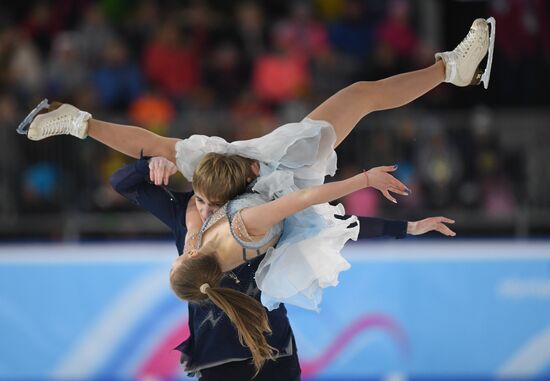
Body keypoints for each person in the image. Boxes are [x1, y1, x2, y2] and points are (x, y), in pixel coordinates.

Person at [18, 17, 493, 378]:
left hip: (242, 334)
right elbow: (315, 211)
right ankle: (452, 69)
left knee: (166, 150)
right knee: (359, 97)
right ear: (191, 259)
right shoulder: (241, 230)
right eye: (178, 261)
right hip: (275, 186)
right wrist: (366, 184)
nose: (194, 212)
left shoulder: (188, 224)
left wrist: (151, 168)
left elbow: (126, 182)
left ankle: (75, 121)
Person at [110, 153, 454, 380]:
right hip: (224, 360)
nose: (204, 210)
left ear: (234, 199)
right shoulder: (186, 214)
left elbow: (331, 226)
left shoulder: (246, 222)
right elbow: (121, 182)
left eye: (214, 204)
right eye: (200, 200)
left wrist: (406, 228)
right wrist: (151, 164)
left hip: (272, 353)